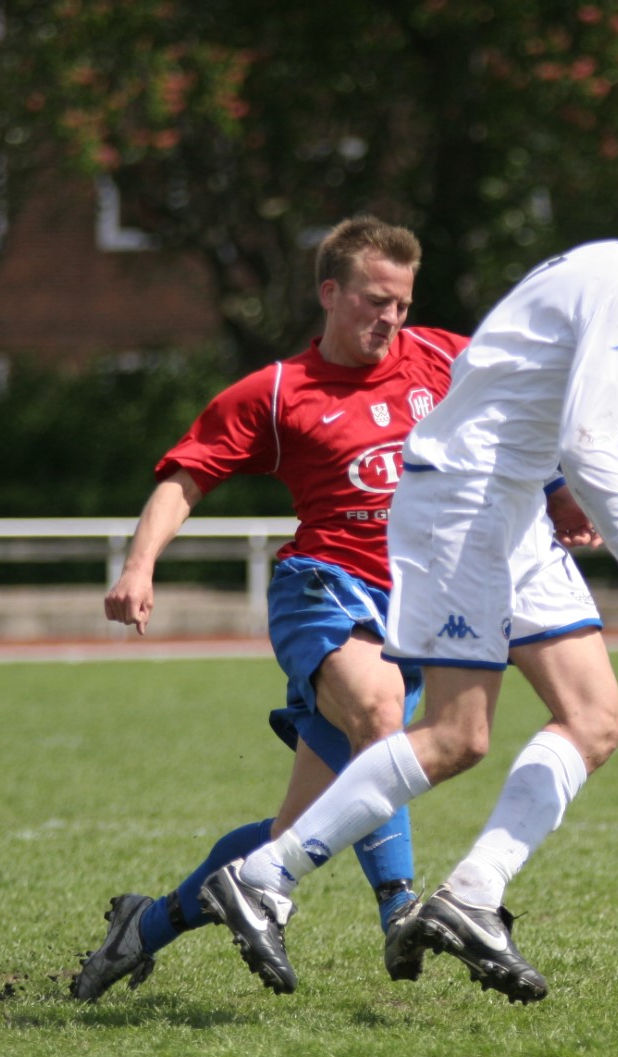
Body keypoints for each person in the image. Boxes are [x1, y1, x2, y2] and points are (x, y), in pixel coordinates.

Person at [199, 139, 618, 1003]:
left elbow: (520, 396)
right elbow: (589, 443)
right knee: (457, 736)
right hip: (466, 503)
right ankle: (264, 878)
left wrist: (551, 491)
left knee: (594, 718)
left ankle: (472, 896)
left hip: (504, 503)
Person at [71, 216, 464, 1002]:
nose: (390, 318)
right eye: (375, 301)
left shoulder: (444, 358)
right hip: (323, 590)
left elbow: (534, 398)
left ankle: (141, 927)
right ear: (331, 292)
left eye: (402, 304)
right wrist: (139, 566)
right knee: (381, 715)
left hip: (414, 609)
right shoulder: (279, 391)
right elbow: (185, 478)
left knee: (299, 831)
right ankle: (400, 910)